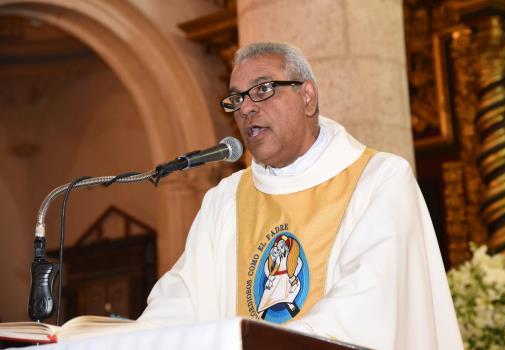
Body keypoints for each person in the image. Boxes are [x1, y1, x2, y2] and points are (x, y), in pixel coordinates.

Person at [139, 42, 463, 349]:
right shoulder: (225, 200)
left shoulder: (379, 179)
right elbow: (182, 297)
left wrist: (269, 345)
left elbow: (368, 302)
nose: (247, 107)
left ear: (307, 96)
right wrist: (137, 339)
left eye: (263, 89)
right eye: (236, 98)